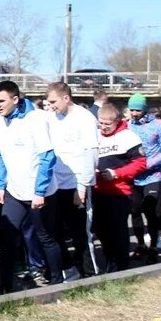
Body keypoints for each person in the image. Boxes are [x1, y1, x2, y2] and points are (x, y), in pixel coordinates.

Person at [0, 80, 60, 293]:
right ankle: (6, 286)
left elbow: (48, 157)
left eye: (1, 101)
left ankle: (57, 281)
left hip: (40, 191)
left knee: (45, 236)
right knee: (7, 235)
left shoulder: (35, 119)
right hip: (14, 190)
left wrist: (39, 192)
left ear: (15, 99)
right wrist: (0, 185)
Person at [45, 82, 99, 278]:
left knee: (80, 232)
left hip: (76, 184)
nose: (51, 106)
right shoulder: (52, 118)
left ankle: (88, 272)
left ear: (66, 98)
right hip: (55, 184)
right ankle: (68, 268)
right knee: (56, 229)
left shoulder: (84, 118)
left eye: (53, 101)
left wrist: (82, 186)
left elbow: (90, 153)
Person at [93, 104, 146, 272]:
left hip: (120, 192)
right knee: (100, 229)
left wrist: (117, 173)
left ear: (117, 121)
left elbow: (141, 163)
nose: (103, 127)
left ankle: (122, 265)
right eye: (101, 123)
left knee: (118, 230)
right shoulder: (95, 135)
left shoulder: (128, 137)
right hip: (98, 191)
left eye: (107, 124)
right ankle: (110, 259)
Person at [126, 94, 161, 260]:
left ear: (145, 109)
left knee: (151, 211)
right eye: (131, 109)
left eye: (137, 110)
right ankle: (140, 244)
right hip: (134, 177)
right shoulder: (127, 127)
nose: (134, 113)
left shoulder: (158, 125)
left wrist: (148, 163)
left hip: (153, 175)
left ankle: (153, 246)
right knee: (134, 210)